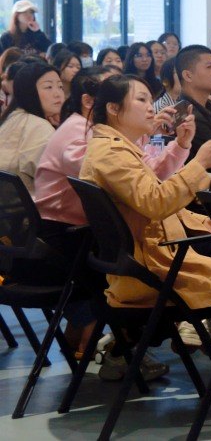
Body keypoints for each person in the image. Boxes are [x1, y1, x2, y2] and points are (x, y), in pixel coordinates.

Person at [33, 67, 188, 372]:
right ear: (102, 103)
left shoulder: (98, 134)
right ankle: (121, 345)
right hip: (64, 237)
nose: (147, 106)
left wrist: (145, 134)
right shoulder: (83, 134)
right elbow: (127, 183)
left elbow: (142, 176)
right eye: (138, 98)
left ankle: (118, 344)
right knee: (175, 254)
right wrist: (143, 134)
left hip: (81, 232)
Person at [80, 75, 211, 372]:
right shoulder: (111, 153)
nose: (150, 107)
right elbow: (156, 202)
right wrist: (199, 163)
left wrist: (182, 144)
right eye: (141, 100)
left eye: (149, 99)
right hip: (153, 266)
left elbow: (151, 183)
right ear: (113, 109)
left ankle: (203, 329)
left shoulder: (112, 146)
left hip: (141, 259)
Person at [0, 60, 64, 194]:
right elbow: (57, 179)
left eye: (60, 87)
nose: (58, 93)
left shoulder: (12, 116)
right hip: (30, 203)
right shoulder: (39, 127)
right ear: (29, 92)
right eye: (48, 87)